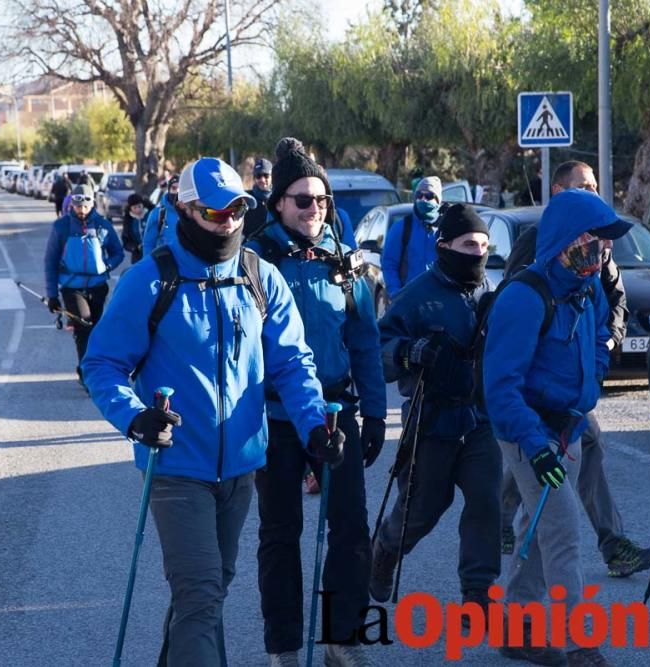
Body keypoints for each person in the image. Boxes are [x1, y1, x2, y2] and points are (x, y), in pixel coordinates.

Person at [81, 157, 343, 667]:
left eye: (236, 209)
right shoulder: (152, 280)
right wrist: (134, 417)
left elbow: (292, 363)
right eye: (213, 212)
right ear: (184, 208)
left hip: (242, 467)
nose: (227, 221)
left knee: (205, 591)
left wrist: (315, 426)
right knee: (201, 594)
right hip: (176, 467)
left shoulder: (259, 276)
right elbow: (104, 363)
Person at [247, 137, 386, 667]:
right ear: (279, 202)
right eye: (302, 199)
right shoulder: (253, 261)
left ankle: (340, 641)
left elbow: (365, 342)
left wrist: (374, 414)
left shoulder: (344, 263)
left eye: (322, 200)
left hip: (334, 413)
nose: (314, 209)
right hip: (276, 418)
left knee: (350, 529)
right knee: (281, 534)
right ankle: (283, 648)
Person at [484, 190, 631, 667]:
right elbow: (501, 389)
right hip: (531, 434)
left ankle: (515, 627)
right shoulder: (524, 298)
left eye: (605, 248)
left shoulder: (586, 291)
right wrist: (536, 446)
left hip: (567, 430)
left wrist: (593, 379)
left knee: (535, 527)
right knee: (563, 531)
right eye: (590, 246)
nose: (600, 257)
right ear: (565, 244)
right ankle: (580, 644)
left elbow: (602, 336)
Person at [498, 160, 650, 579]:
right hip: (534, 407)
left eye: (595, 184)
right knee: (556, 521)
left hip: (572, 401)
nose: (592, 191)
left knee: (583, 458)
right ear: (558, 190)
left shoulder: (595, 254)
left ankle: (610, 542)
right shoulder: (537, 255)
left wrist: (598, 358)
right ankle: (573, 640)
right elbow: (512, 338)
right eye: (582, 186)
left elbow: (612, 304)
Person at [371, 204, 502, 622]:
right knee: (423, 508)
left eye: (483, 245)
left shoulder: (491, 291)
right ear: (444, 246)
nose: (477, 253)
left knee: (486, 501)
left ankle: (477, 594)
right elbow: (379, 351)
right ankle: (386, 549)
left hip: (479, 419)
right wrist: (407, 352)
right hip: (431, 420)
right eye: (468, 244)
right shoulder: (416, 295)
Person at [43, 183, 124, 386]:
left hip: (97, 286)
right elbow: (50, 261)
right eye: (78, 206)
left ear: (92, 204)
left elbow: (118, 252)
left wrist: (106, 266)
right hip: (72, 287)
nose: (81, 210)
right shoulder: (61, 227)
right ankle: (88, 374)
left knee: (95, 330)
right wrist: (52, 295)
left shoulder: (103, 225)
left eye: (85, 206)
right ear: (72, 204)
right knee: (83, 326)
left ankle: (89, 367)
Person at [380, 177, 443, 299]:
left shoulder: (446, 229)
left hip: (439, 303)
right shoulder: (401, 227)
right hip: (407, 302)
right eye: (419, 195)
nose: (423, 199)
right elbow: (389, 263)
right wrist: (396, 293)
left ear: (438, 199)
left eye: (429, 196)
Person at [142, 174, 180, 256]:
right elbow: (148, 244)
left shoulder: (193, 213)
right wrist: (149, 266)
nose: (177, 192)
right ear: (169, 190)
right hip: (164, 263)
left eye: (181, 189)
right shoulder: (158, 213)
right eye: (174, 188)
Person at [243, 158, 272, 240]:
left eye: (266, 175)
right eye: (258, 176)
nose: (262, 180)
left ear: (271, 177)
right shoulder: (246, 198)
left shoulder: (279, 198)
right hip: (251, 245)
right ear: (254, 178)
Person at [121, 193, 148, 264]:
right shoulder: (129, 220)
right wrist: (135, 247)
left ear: (143, 205)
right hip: (137, 256)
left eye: (139, 206)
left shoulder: (150, 215)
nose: (138, 209)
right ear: (130, 208)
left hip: (152, 252)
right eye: (135, 208)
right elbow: (126, 241)